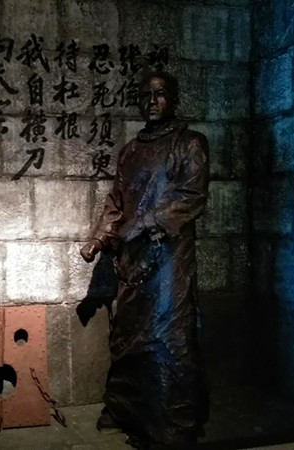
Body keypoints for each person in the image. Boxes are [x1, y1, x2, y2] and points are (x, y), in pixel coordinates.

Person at [80, 71, 210, 449]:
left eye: (160, 94)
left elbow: (191, 196)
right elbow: (116, 203)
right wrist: (99, 239)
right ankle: (127, 410)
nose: (152, 102)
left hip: (169, 260)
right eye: (144, 95)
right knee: (129, 336)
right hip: (131, 261)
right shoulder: (130, 151)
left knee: (168, 337)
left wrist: (145, 222)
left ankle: (169, 424)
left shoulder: (190, 143)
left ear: (173, 98)